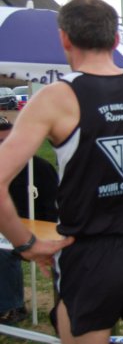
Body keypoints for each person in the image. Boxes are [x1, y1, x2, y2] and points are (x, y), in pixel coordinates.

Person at [0, 0, 123, 343]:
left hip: (87, 256)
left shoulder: (55, 98)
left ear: (64, 39)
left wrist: (25, 244)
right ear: (116, 40)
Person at [0, 121, 59, 325]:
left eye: (8, 141)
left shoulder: (39, 169)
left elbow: (53, 212)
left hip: (34, 232)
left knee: (2, 252)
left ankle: (11, 308)